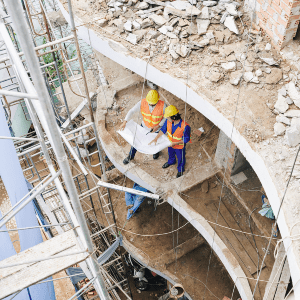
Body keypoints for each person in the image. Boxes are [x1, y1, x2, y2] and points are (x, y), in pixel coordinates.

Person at [120, 90, 167, 165]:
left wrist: (158, 125)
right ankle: (130, 156)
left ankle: (155, 152)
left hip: (156, 129)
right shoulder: (142, 102)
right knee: (136, 141)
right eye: (150, 103)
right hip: (144, 126)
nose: (151, 104)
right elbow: (132, 111)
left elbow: (166, 117)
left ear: (158, 100)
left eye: (153, 103)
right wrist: (125, 121)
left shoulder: (163, 105)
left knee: (155, 141)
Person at [149, 105, 191, 178]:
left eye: (168, 117)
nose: (167, 118)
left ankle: (180, 169)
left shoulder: (185, 126)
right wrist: (156, 138)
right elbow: (163, 130)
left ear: (173, 117)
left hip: (179, 146)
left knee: (181, 157)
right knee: (170, 153)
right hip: (170, 143)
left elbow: (186, 139)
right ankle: (171, 161)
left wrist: (176, 143)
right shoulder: (168, 121)